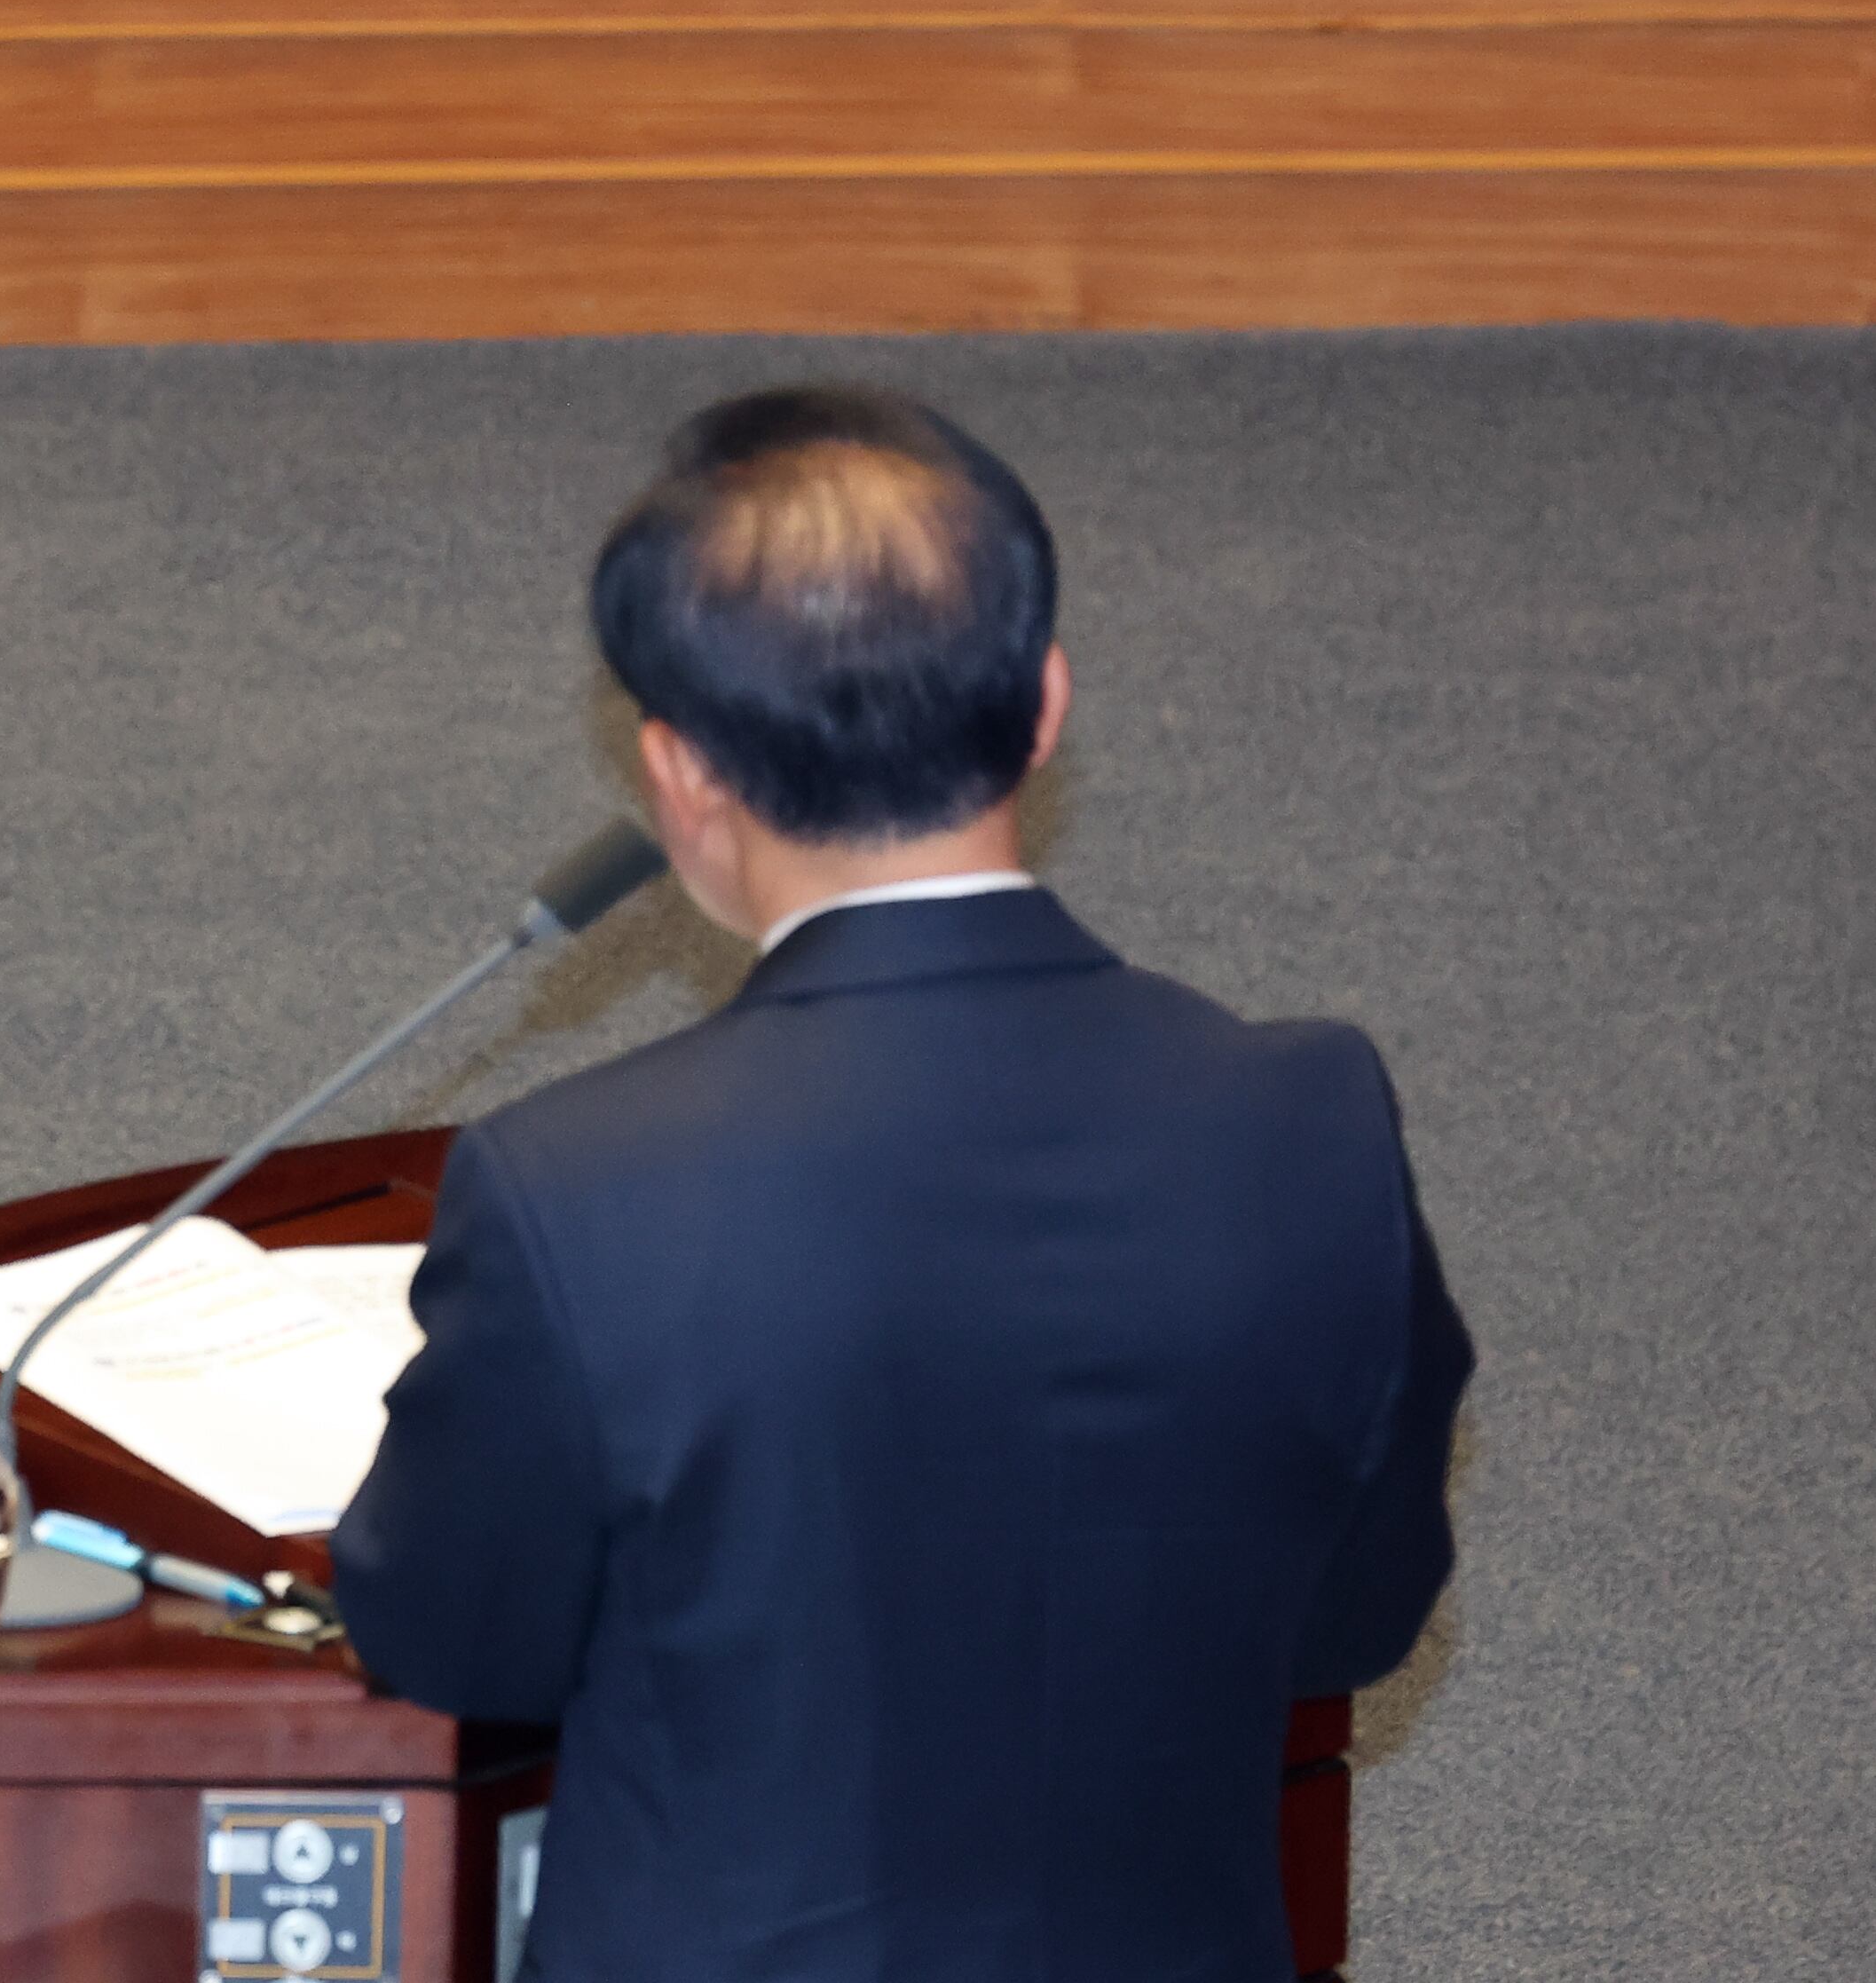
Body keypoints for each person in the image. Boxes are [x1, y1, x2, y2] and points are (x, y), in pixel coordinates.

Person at [332, 388, 1472, 1979]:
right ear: (1047, 704)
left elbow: (455, 1641)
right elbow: (1352, 1622)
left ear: (680, 780)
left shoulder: (572, 1191)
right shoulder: (1319, 1121)